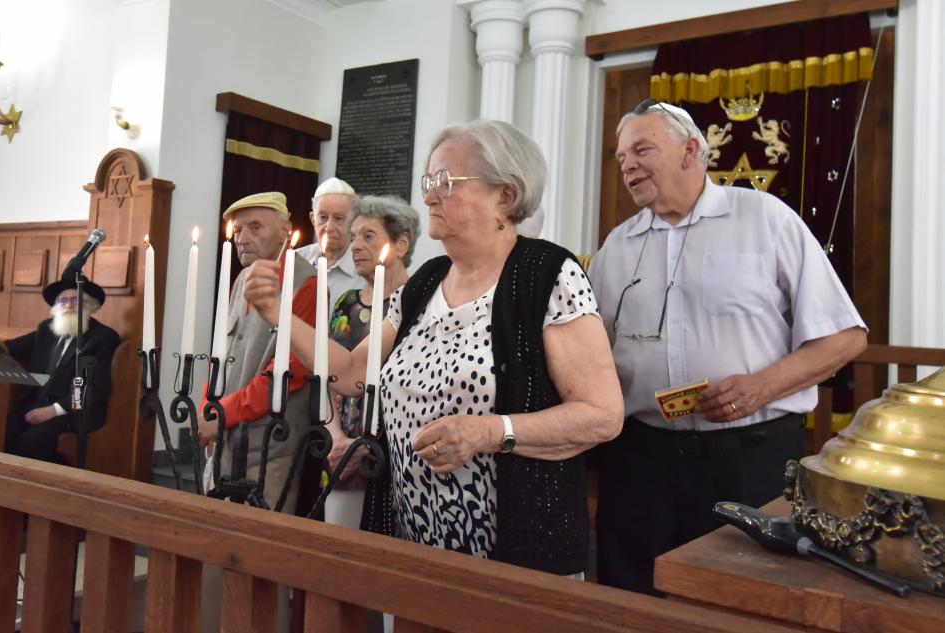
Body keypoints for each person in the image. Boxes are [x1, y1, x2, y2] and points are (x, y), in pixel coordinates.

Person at [243, 120, 623, 576]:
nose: (427, 197)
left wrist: (485, 432)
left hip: (515, 558)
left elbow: (602, 415)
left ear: (505, 194)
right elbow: (348, 371)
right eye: (428, 183)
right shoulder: (424, 282)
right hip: (414, 543)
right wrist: (278, 315)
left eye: (444, 182)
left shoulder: (547, 275)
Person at [588, 100, 868, 595]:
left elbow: (845, 335)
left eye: (641, 149)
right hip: (641, 462)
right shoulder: (616, 247)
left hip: (749, 458)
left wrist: (761, 387)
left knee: (744, 599)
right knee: (631, 597)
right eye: (620, 156)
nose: (627, 164)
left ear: (690, 150)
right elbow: (589, 353)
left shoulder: (764, 220)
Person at [197, 191, 318, 513]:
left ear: (285, 229)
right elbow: (221, 354)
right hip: (225, 433)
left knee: (257, 548)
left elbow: (286, 375)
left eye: (255, 228)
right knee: (214, 538)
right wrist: (206, 407)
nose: (242, 238)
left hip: (268, 447)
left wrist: (220, 415)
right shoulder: (241, 278)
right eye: (237, 231)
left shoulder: (307, 283)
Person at [324, 194, 420, 529]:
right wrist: (335, 436)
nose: (354, 245)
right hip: (342, 453)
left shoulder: (420, 304)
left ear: (402, 243)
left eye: (368, 236)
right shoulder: (348, 304)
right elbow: (329, 375)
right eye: (353, 237)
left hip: (396, 455)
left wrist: (370, 442)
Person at [4, 279, 120, 463]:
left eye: (76, 300)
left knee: (32, 441)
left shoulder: (103, 338)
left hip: (74, 412)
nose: (68, 305)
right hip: (37, 404)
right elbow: (16, 346)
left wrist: (55, 410)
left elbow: (94, 387)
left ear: (92, 307)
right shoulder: (47, 329)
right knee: (0, 429)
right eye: (63, 301)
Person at [295, 177, 366, 304]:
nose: (329, 227)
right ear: (312, 219)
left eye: (338, 218)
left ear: (354, 221)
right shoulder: (296, 259)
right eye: (322, 217)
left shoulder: (365, 269)